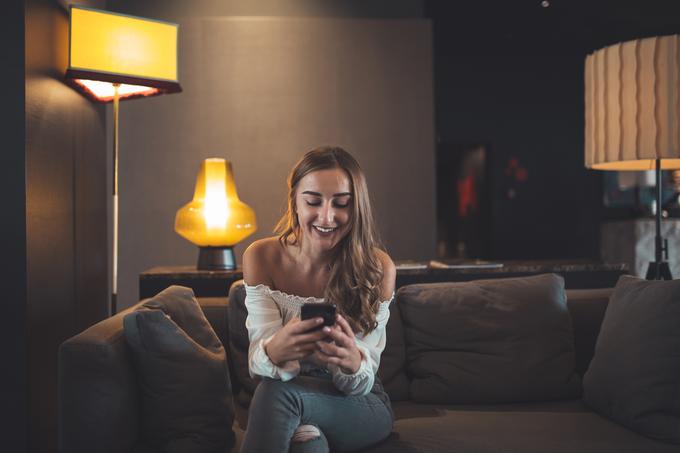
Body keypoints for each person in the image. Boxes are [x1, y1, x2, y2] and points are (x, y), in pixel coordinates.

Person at [240, 146, 396, 453]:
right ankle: (308, 433)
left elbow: (363, 381)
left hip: (359, 403)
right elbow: (258, 365)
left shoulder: (377, 268)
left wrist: (352, 361)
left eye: (342, 204)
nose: (327, 216)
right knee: (307, 444)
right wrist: (274, 350)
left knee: (276, 395)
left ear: (357, 208)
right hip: (291, 390)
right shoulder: (261, 257)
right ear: (295, 202)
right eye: (313, 201)